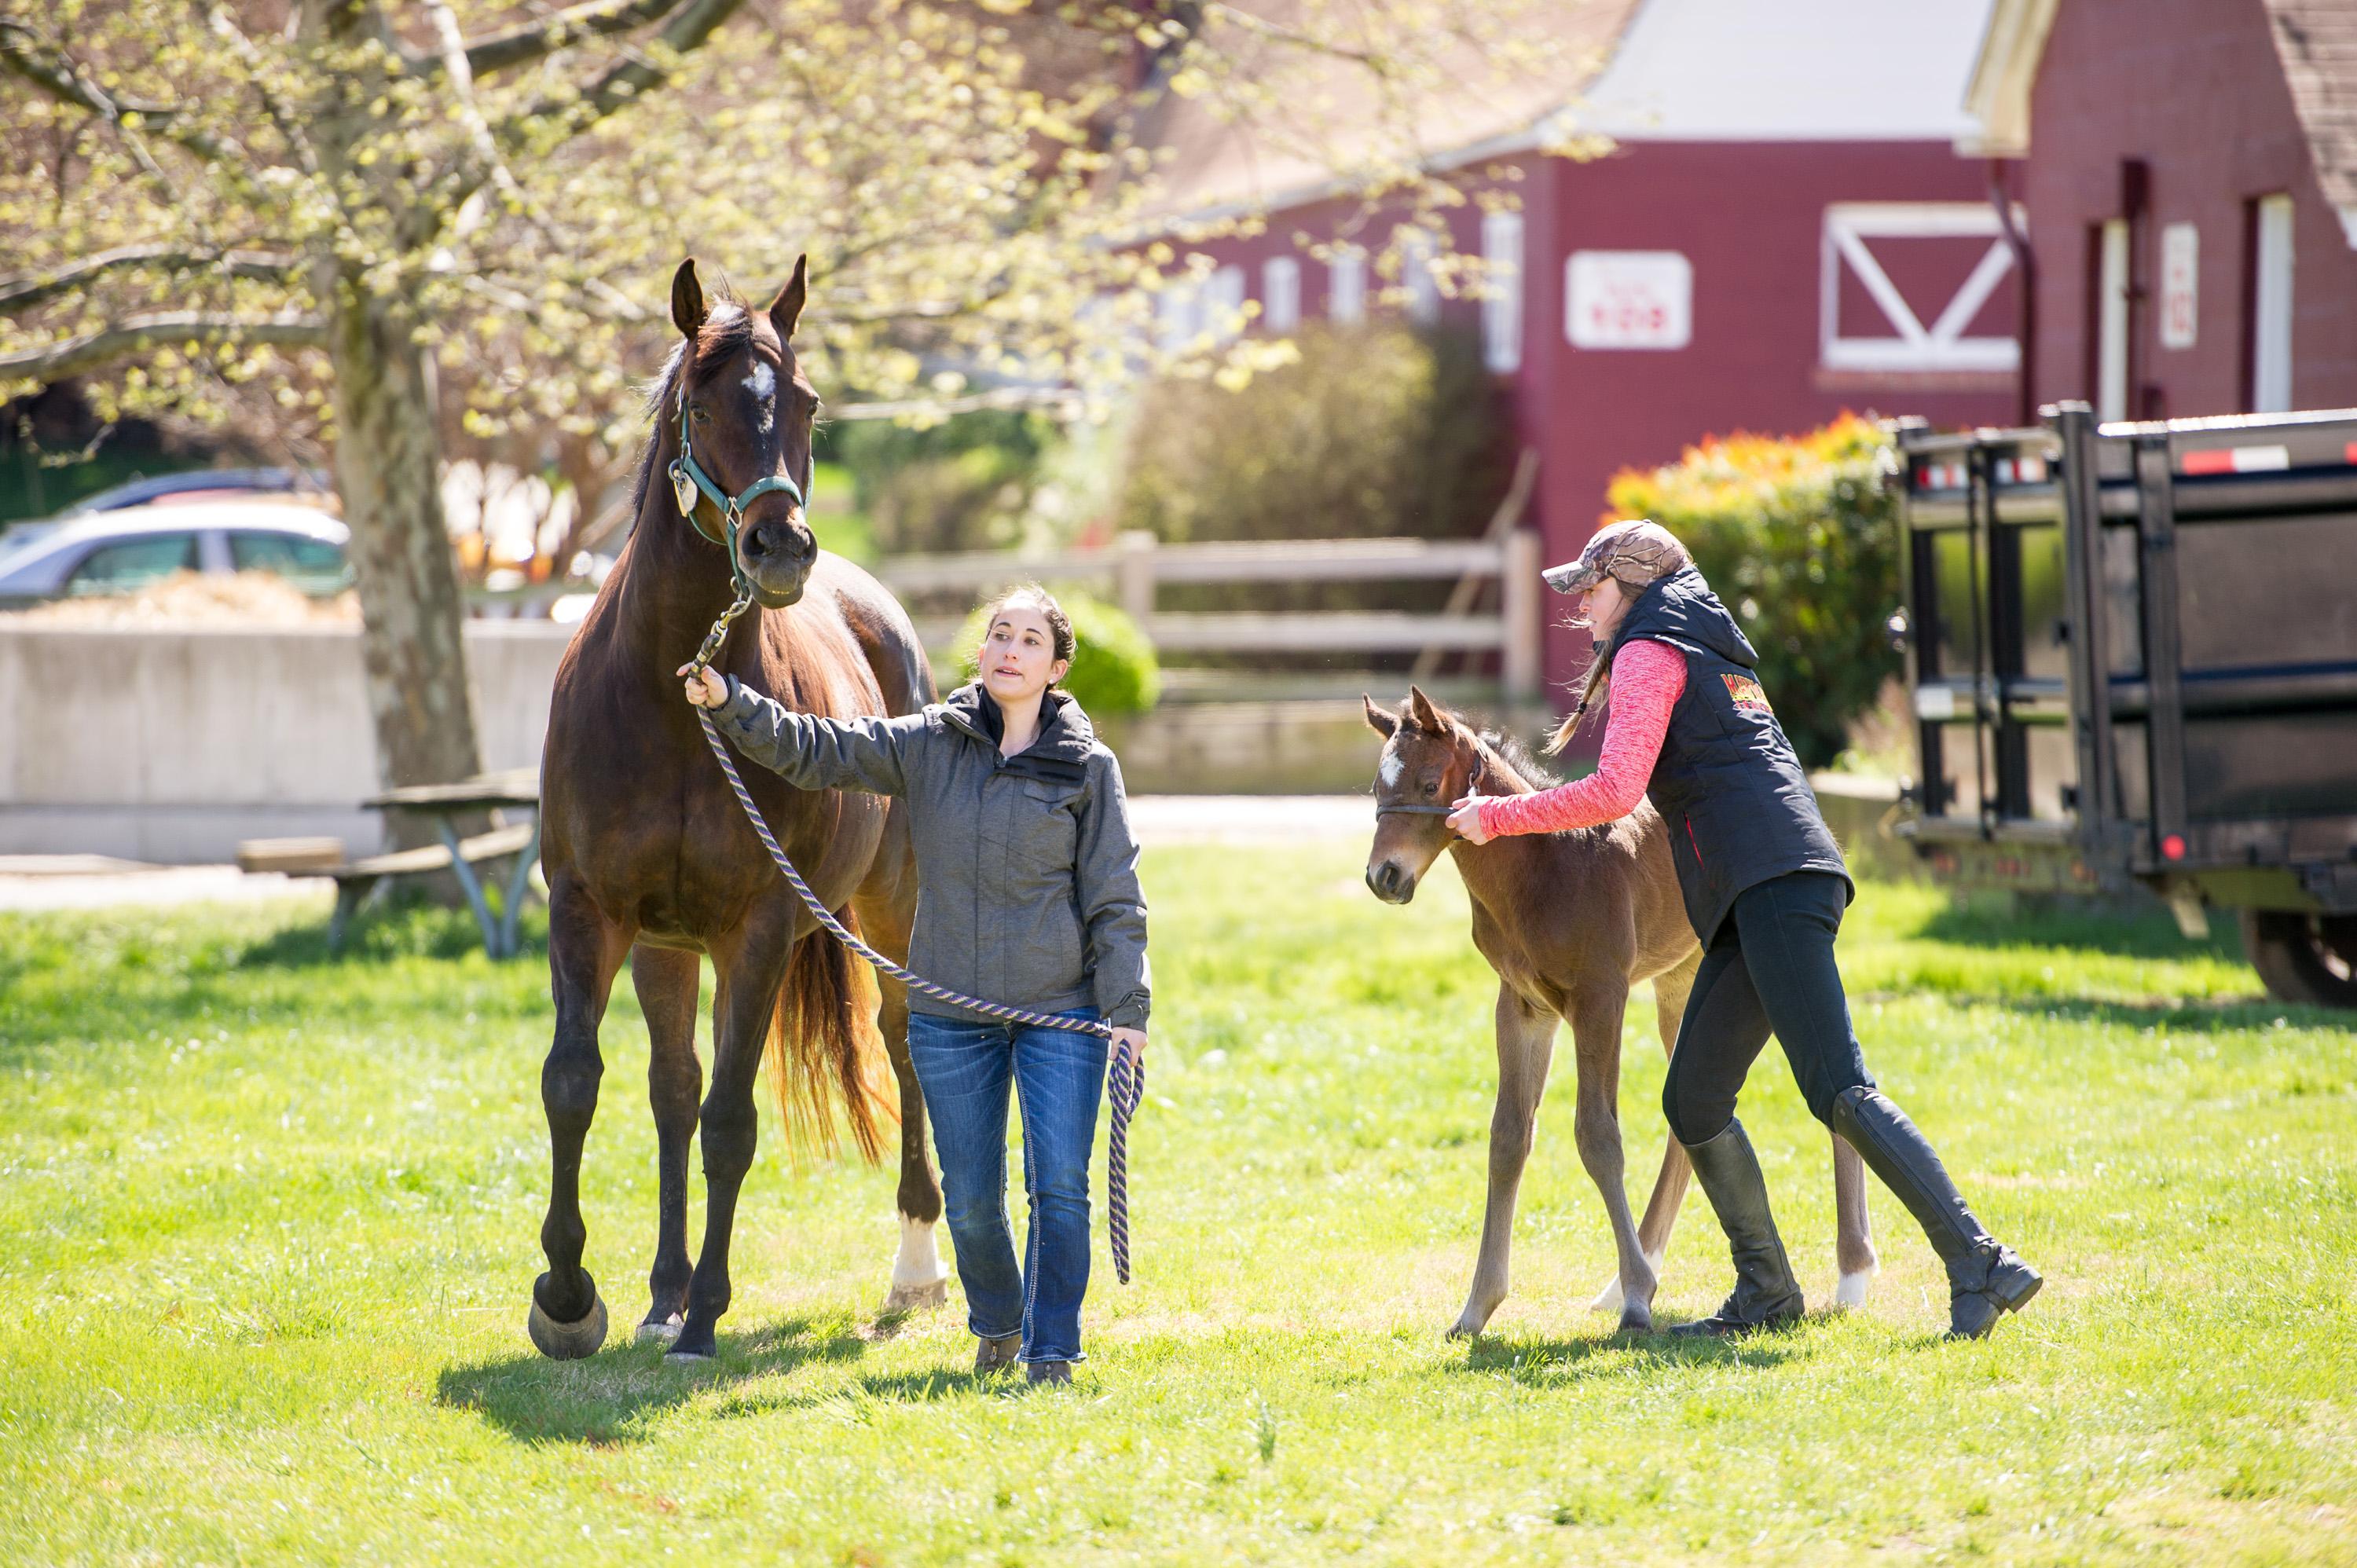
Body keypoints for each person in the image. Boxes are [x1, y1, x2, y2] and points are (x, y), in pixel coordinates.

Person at [1445, 520, 2040, 1340]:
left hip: (1776, 885)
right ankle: (1768, 1292)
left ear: (1635, 584)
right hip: (1750, 889)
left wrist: (1499, 817)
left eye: (1593, 586)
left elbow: (1617, 790)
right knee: (1693, 1097)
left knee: (1839, 1088)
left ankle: (1980, 1260)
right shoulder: (1706, 647)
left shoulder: (1653, 651)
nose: (1581, 603)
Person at [680, 584, 1149, 1384]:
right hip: (950, 1012)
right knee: (968, 1197)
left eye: (1030, 640)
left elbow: (1115, 894)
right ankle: (999, 1322)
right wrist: (730, 702)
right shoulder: (931, 742)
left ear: (1056, 667)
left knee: (1060, 1188)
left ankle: (1052, 1350)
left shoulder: (1088, 768)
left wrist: (1127, 1010)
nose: (1009, 649)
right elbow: (817, 748)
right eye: (1000, 634)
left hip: (1059, 1010)